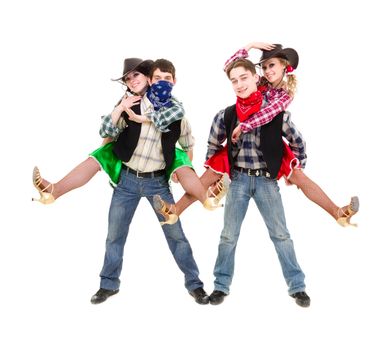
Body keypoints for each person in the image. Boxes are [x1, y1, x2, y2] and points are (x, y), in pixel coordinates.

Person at [32, 58, 229, 224]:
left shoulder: (172, 104)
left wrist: (181, 166)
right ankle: (54, 191)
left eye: (136, 75)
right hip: (130, 158)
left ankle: (207, 198)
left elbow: (185, 136)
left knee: (182, 160)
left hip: (162, 160)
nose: (132, 80)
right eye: (128, 78)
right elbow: (106, 132)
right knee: (99, 155)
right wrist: (116, 118)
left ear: (148, 78)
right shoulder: (127, 102)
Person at [206, 55, 310, 307]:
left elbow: (298, 142)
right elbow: (213, 144)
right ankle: (221, 286)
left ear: (256, 78)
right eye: (234, 81)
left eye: (244, 78)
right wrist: (213, 176)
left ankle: (297, 287)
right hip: (239, 180)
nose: (240, 84)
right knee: (228, 236)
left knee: (281, 235)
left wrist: (296, 169)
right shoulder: (226, 114)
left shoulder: (274, 112)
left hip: (266, 182)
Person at [221, 43, 359, 227]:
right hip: (246, 142)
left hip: (268, 140)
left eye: (272, 65)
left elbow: (269, 113)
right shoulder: (259, 82)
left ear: (284, 65)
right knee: (219, 161)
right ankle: (212, 192)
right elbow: (229, 68)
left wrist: (245, 125)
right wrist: (250, 46)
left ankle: (338, 213)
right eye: (264, 67)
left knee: (301, 178)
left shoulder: (285, 94)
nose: (267, 71)